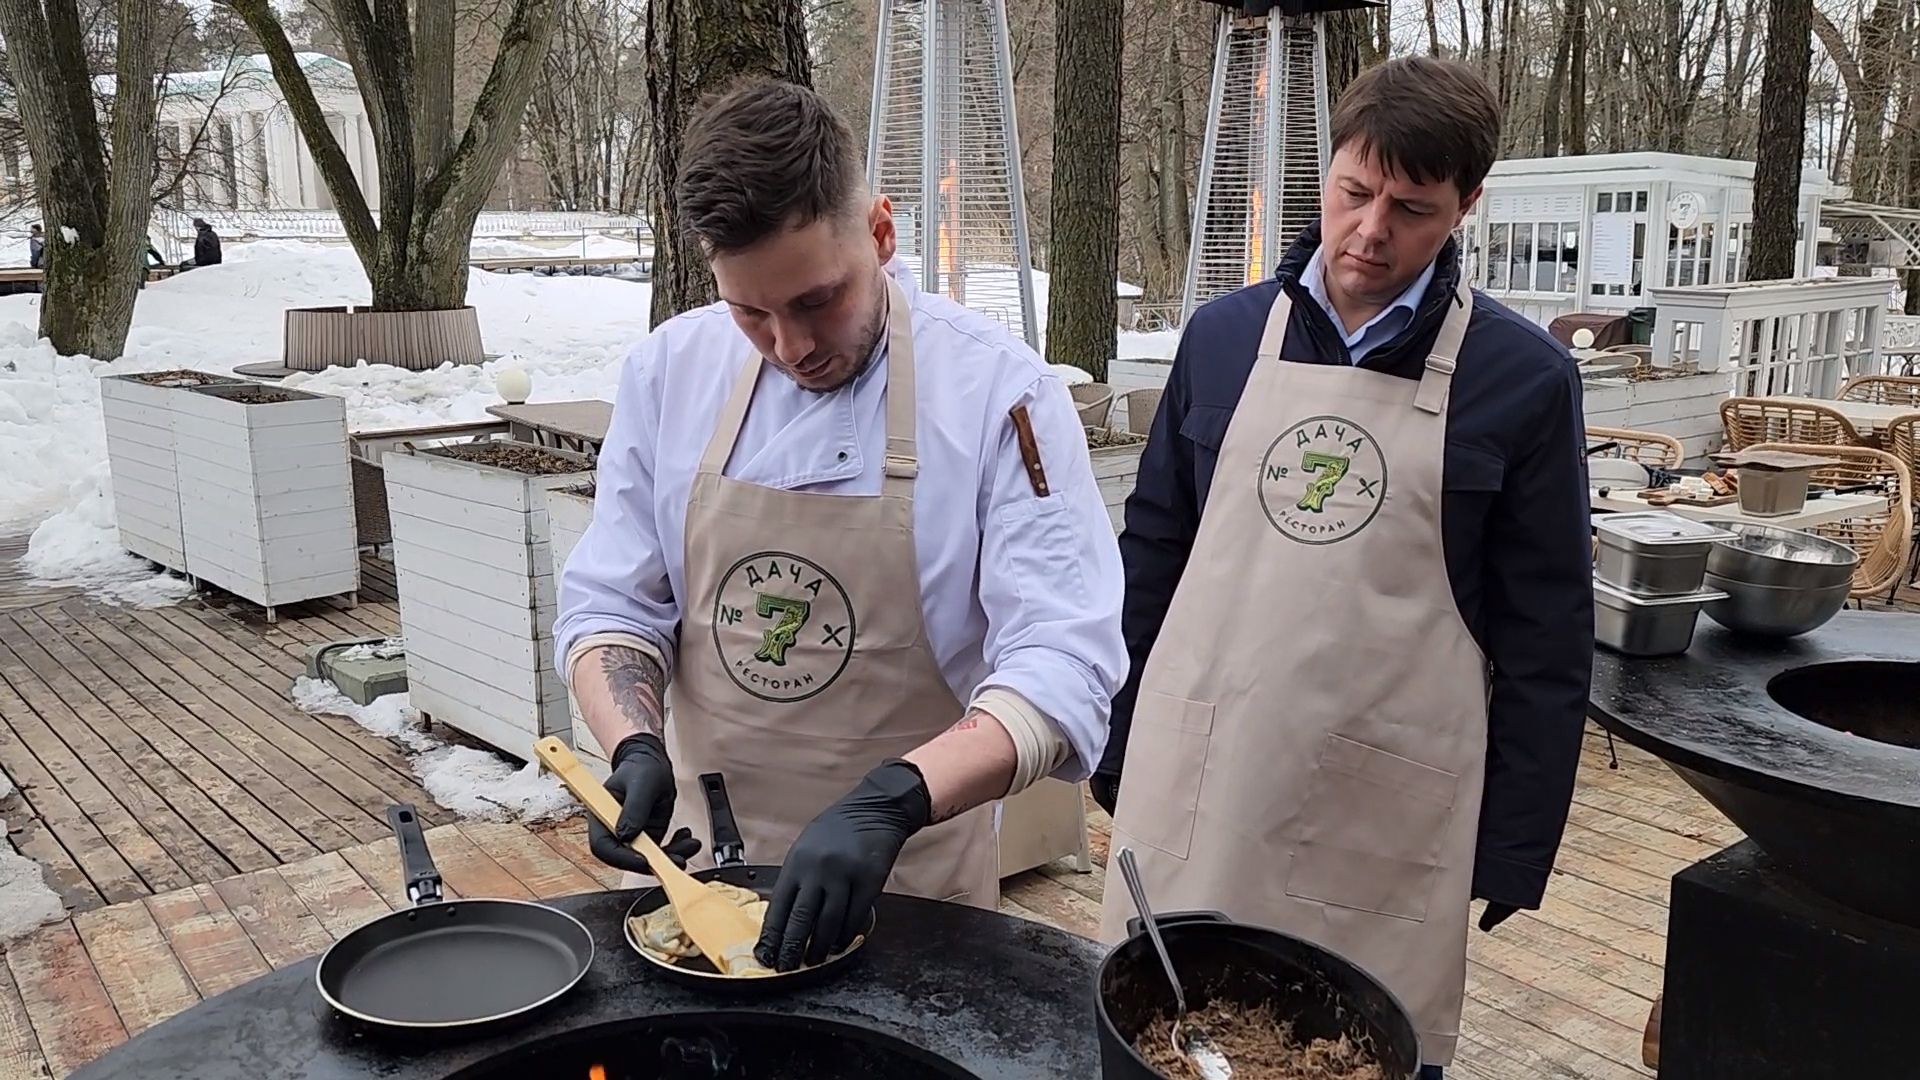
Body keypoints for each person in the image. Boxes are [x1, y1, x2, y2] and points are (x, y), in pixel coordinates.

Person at [1089, 57, 1593, 1078]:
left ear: (1466, 206)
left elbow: (1548, 635)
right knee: (1164, 1032)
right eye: (1354, 194)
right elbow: (1152, 554)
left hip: (1383, 808)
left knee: (1359, 1051)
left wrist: (1514, 843)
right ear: (1326, 172)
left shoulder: (1524, 381)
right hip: (1205, 779)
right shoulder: (1224, 341)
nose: (1370, 233)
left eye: (1411, 210)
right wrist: (1112, 737)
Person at [553, 78, 1127, 973]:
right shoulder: (671, 373)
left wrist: (895, 800)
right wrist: (628, 742)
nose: (790, 347)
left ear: (882, 234)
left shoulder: (997, 393)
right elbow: (611, 606)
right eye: (751, 312)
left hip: (914, 888)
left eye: (818, 300)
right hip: (701, 890)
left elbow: (1068, 661)